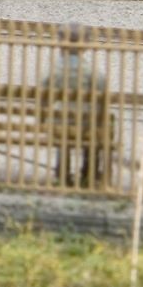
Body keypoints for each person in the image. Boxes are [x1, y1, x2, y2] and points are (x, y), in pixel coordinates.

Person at [38, 25, 112, 188]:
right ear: (85, 44)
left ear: (60, 42)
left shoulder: (55, 70)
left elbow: (43, 94)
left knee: (62, 134)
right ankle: (89, 173)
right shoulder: (90, 71)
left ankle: (62, 174)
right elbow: (102, 91)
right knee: (95, 133)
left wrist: (42, 119)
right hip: (86, 126)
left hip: (59, 124)